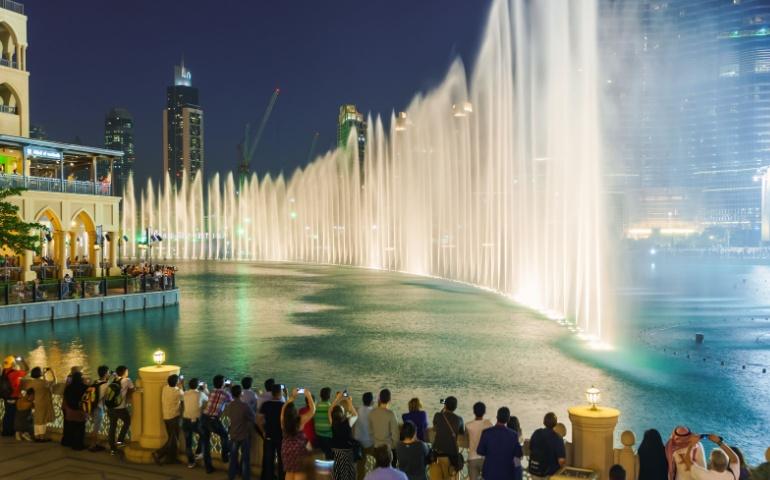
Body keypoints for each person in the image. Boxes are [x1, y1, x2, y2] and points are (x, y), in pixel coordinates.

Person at [476, 407, 523, 480]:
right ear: (507, 420)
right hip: (507, 474)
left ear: (497, 417)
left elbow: (480, 451)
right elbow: (518, 454)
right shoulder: (513, 435)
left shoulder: (486, 432)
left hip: (489, 473)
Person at [281, 388, 316, 480]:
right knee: (299, 473)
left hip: (286, 450)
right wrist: (308, 395)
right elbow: (313, 410)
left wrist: (292, 397)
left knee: (289, 472)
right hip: (298, 451)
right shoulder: (300, 420)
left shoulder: (283, 421)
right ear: (295, 412)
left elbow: (283, 409)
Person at [201, 374, 232, 474]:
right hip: (213, 420)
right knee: (225, 436)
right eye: (224, 382)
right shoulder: (226, 394)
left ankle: (208, 467)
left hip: (204, 418)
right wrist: (230, 388)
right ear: (223, 384)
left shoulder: (212, 392)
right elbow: (232, 402)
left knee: (205, 444)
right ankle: (225, 456)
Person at [224, 385, 256, 480]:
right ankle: (245, 477)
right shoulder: (244, 406)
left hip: (233, 434)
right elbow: (253, 418)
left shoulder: (230, 405)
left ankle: (231, 476)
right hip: (244, 435)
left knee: (233, 458)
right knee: (245, 458)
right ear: (241, 393)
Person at [430, 396, 465, 480]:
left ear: (445, 405)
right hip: (450, 457)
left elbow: (435, 424)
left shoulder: (438, 415)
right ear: (455, 407)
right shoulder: (459, 419)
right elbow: (461, 433)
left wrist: (443, 410)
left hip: (436, 455)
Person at [153, 374, 184, 465]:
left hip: (166, 417)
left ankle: (170, 459)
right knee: (173, 439)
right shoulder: (177, 392)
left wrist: (178, 385)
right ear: (176, 382)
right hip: (174, 417)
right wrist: (182, 384)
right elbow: (184, 396)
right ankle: (158, 453)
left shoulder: (165, 388)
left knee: (172, 439)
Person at [527, 412, 566, 480]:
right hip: (548, 474)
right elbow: (561, 461)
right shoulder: (557, 438)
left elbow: (530, 449)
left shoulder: (536, 433)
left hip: (534, 470)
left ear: (544, 422)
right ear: (555, 424)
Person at [259, 383, 285, 480]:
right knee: (282, 461)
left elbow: (260, 420)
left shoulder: (266, 404)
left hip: (268, 436)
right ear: (280, 392)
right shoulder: (284, 406)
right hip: (281, 437)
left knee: (268, 460)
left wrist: (263, 431)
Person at [22, 366, 56, 442]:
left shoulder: (31, 383)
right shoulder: (43, 383)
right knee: (42, 420)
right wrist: (52, 371)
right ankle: (42, 437)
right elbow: (54, 381)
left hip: (35, 402)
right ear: (39, 374)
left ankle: (37, 436)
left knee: (37, 419)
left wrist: (43, 375)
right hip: (43, 403)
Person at [330, 393, 359, 480]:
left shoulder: (333, 423)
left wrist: (337, 399)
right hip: (346, 452)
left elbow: (330, 410)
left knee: (337, 473)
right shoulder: (348, 422)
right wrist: (349, 401)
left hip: (335, 452)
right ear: (343, 414)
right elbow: (355, 415)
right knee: (347, 474)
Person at [107, 365, 135, 455]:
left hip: (110, 407)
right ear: (124, 372)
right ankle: (120, 441)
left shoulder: (113, 379)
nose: (128, 373)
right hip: (120, 408)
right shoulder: (127, 380)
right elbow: (132, 389)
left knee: (112, 426)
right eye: (127, 371)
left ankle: (112, 448)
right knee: (127, 422)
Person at [369, 389, 400, 468]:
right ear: (389, 400)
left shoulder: (372, 412)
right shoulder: (390, 414)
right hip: (388, 449)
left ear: (379, 398)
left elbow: (370, 432)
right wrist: (393, 446)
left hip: (376, 448)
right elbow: (395, 436)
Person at [183, 377, 209, 468]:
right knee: (204, 434)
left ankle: (191, 462)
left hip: (185, 420)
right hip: (195, 421)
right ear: (198, 386)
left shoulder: (185, 393)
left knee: (188, 443)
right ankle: (198, 452)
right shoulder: (200, 394)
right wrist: (205, 388)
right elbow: (208, 399)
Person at [1, 355, 28, 437]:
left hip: (6, 396)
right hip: (14, 396)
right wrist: (22, 360)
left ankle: (5, 431)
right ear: (12, 364)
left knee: (7, 414)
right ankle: (10, 432)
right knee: (13, 415)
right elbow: (27, 370)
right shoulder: (15, 373)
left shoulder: (4, 372)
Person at [61, 371, 88, 450]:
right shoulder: (84, 387)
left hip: (70, 411)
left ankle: (70, 443)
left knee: (71, 427)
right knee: (80, 429)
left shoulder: (68, 387)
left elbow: (66, 397)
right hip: (80, 411)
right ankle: (78, 445)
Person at [466, 402, 493, 480]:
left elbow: (465, 436)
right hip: (486, 459)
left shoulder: (468, 425)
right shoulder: (489, 425)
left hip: (472, 458)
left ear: (474, 412)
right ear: (484, 412)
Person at [88, 365, 111, 451]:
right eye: (108, 372)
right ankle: (92, 446)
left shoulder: (96, 382)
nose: (109, 374)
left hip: (92, 407)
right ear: (105, 374)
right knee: (96, 429)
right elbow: (107, 397)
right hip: (99, 408)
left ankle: (95, 443)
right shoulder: (106, 385)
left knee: (95, 427)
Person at [355, 392, 376, 480]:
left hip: (358, 443)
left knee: (360, 465)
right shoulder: (373, 412)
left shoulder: (358, 409)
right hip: (369, 443)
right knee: (381, 459)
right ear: (371, 401)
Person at [314, 387, 334, 459]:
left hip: (318, 435)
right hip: (328, 437)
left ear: (320, 396)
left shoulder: (316, 406)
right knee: (329, 456)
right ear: (329, 396)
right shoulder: (331, 407)